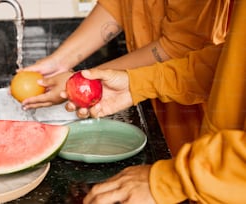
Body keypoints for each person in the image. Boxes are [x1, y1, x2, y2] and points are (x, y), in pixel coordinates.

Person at [61, 1, 246, 203]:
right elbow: (232, 63)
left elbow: (179, 44)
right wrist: (137, 83)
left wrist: (174, 180)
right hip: (215, 177)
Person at [20, 0, 231, 155]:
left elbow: (179, 46)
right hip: (149, 90)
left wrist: (82, 81)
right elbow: (121, 4)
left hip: (191, 104)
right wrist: (60, 60)